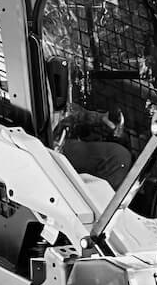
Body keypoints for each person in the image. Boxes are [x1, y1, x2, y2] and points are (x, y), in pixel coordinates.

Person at [50, 62, 133, 190]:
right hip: (48, 147)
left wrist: (99, 119)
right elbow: (60, 118)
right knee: (118, 157)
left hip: (57, 140)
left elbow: (68, 113)